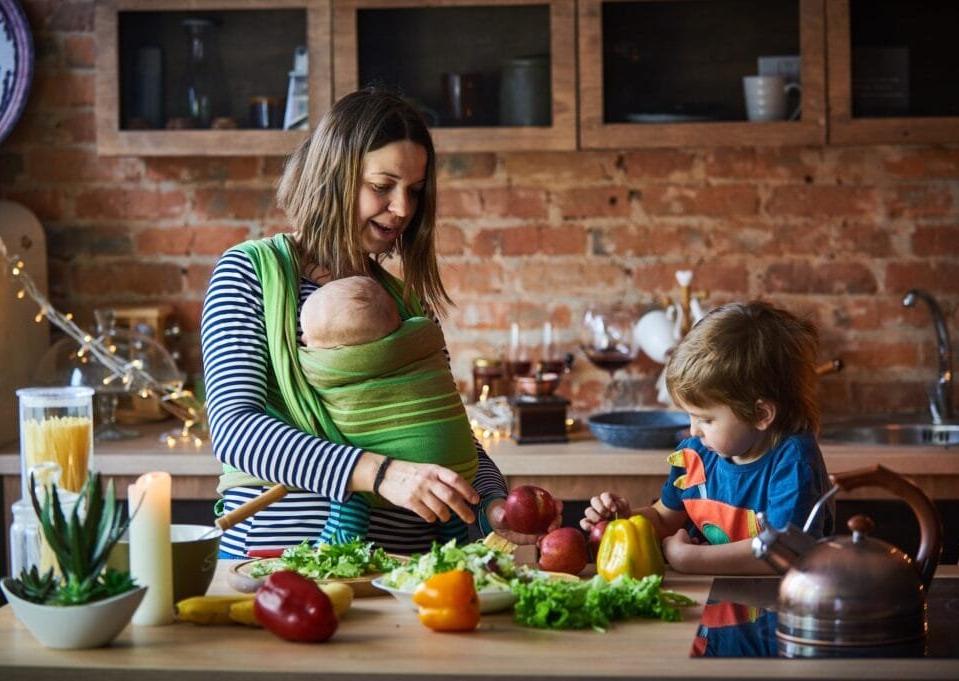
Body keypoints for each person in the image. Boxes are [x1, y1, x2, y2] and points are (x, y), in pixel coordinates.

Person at [202, 87, 559, 558]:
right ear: (334, 175)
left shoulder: (408, 304)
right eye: (382, 186)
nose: (403, 209)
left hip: (409, 578)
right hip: (282, 567)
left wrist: (491, 503)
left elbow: (448, 433)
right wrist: (383, 474)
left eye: (414, 191)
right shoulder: (252, 274)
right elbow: (237, 431)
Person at [581, 300, 834, 574]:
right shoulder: (695, 456)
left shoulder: (792, 460)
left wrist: (689, 559)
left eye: (706, 419)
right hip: (710, 599)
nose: (693, 431)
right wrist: (624, 519)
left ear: (760, 414)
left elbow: (785, 551)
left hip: (778, 605)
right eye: (689, 416)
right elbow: (664, 519)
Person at [297, 275, 478, 544]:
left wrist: (494, 499)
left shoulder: (332, 365)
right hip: (457, 467)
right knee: (452, 520)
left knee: (348, 492)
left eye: (308, 337)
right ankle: (457, 544)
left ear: (340, 351)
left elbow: (310, 372)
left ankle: (340, 541)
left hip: (382, 502)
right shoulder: (420, 335)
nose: (303, 340)